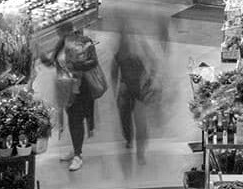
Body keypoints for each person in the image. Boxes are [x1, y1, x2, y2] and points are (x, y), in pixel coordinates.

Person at [44, 28, 104, 172]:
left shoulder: (85, 43)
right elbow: (54, 61)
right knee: (72, 119)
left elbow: (93, 62)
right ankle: (76, 149)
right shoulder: (62, 43)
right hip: (67, 88)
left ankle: (78, 155)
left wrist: (74, 66)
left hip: (82, 87)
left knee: (76, 119)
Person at [112, 22, 160, 165]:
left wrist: (150, 77)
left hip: (139, 90)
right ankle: (129, 139)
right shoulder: (120, 52)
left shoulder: (141, 48)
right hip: (127, 89)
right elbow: (114, 72)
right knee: (125, 118)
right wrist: (117, 88)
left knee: (140, 123)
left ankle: (140, 152)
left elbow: (153, 62)